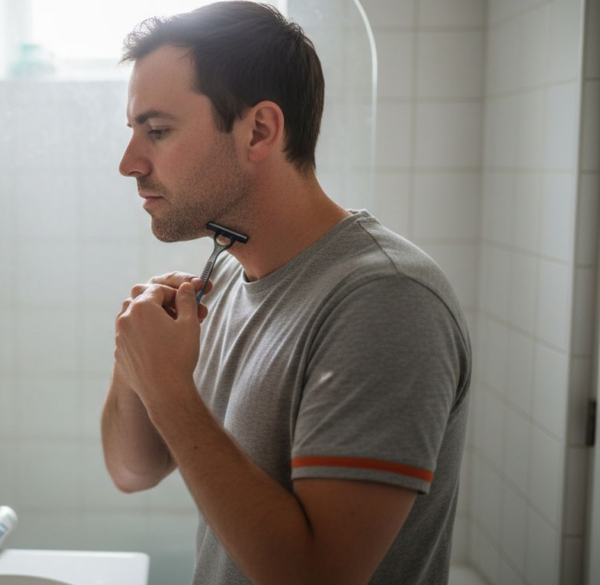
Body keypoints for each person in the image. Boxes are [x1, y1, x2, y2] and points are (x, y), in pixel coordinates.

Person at [100, 3, 471, 584]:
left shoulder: (385, 299)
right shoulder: (224, 271)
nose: (129, 163)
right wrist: (136, 362)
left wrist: (168, 387)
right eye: (133, 132)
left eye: (158, 131)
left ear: (260, 131)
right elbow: (132, 470)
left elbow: (316, 576)